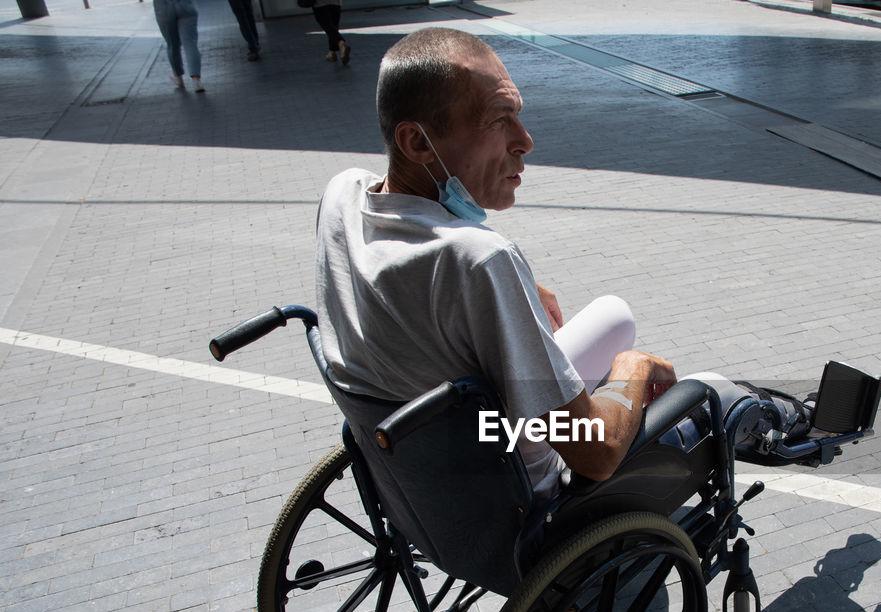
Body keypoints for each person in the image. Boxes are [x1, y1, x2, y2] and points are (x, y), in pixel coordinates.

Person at [316, 28, 812, 501]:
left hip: (423, 468)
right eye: (497, 120)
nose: (525, 140)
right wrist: (632, 369)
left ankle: (781, 415)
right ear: (418, 143)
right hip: (520, 491)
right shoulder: (477, 260)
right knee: (712, 394)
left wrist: (521, 286)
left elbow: (411, 267)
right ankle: (793, 423)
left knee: (614, 313)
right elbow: (593, 457)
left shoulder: (344, 193)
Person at [153, 0, 203, 91]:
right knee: (190, 43)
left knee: (172, 44)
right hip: (185, 6)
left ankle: (178, 77)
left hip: (163, 8)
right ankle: (196, 81)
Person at [311, 0, 349, 65]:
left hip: (320, 3)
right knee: (333, 27)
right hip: (336, 2)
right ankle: (332, 52)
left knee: (328, 26)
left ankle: (341, 44)